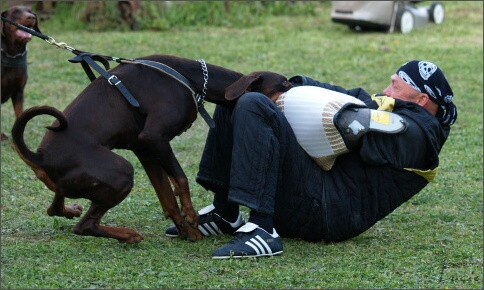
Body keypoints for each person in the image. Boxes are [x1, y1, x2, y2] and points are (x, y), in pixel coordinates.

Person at [165, 60, 457, 259]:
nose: (387, 89)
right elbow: (344, 95)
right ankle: (225, 212)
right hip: (315, 194)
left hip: (328, 215)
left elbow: (361, 122)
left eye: (396, 86)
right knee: (243, 93)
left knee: (255, 104)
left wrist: (346, 115)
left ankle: (264, 230)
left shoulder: (423, 136)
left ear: (421, 100)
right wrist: (287, 85)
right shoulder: (391, 106)